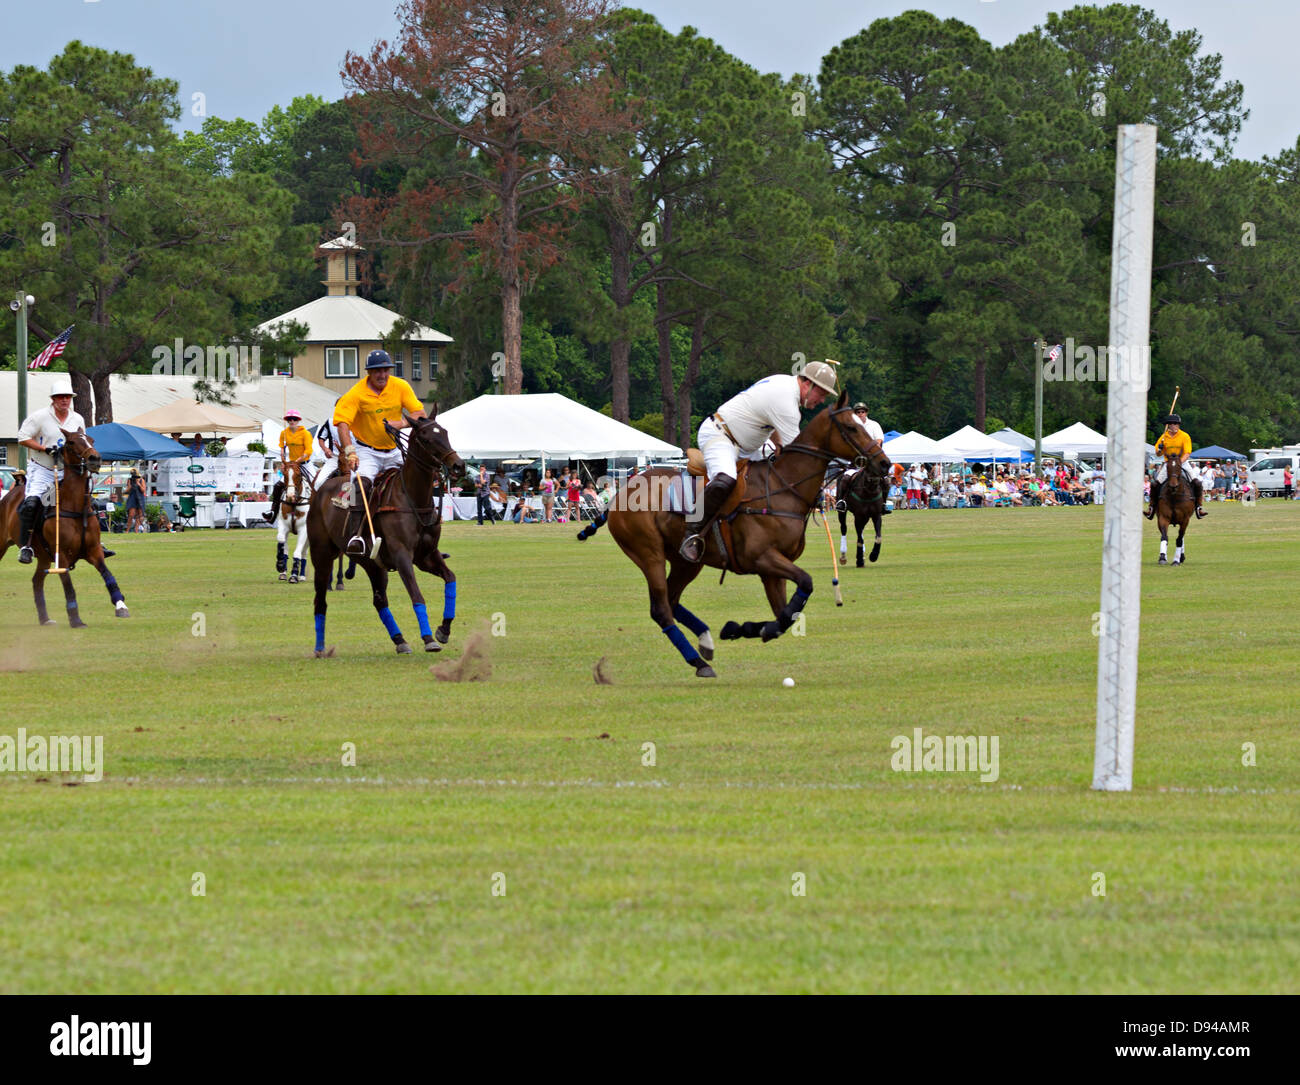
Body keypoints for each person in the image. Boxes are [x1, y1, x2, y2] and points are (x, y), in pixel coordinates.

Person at [680, 360, 838, 561]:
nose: (822, 400)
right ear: (808, 383)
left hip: (747, 445)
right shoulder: (786, 400)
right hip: (721, 436)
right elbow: (799, 456)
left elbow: (764, 417)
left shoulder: (783, 383)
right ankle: (691, 533)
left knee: (769, 477)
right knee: (725, 480)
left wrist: (778, 443)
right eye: (821, 393)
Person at [331, 350, 427, 552]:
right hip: (367, 451)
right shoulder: (356, 393)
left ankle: (426, 534)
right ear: (369, 372)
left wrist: (401, 423)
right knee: (360, 485)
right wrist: (350, 452)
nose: (382, 375)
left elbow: (420, 414)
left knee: (417, 481)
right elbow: (342, 424)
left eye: (385, 370)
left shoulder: (400, 386)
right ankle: (355, 536)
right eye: (377, 371)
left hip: (394, 449)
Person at [14, 378, 88, 563]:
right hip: (43, 468)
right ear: (53, 399)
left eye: (67, 397)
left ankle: (91, 541)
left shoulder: (77, 418)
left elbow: (81, 440)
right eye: (60, 397)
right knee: (31, 504)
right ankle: (26, 546)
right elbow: (22, 438)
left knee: (87, 501)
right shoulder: (39, 417)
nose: (64, 400)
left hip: (69, 471)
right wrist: (44, 448)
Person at [1147, 413, 1205, 518]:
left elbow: (1187, 453)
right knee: (1155, 484)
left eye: (1175, 423)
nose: (1173, 425)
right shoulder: (1164, 437)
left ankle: (1198, 507)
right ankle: (1151, 508)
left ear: (1178, 425)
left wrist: (1179, 463)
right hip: (1168, 464)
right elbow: (1158, 454)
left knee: (1197, 483)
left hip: (1183, 462)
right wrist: (1160, 449)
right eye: (1171, 424)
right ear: (1168, 425)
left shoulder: (1184, 436)